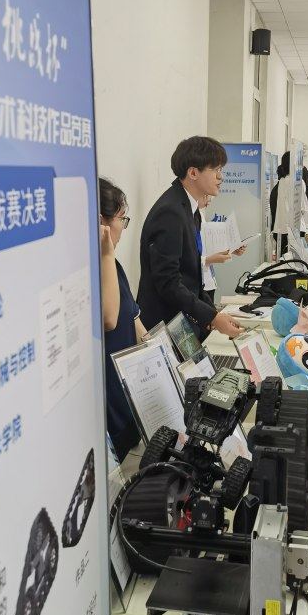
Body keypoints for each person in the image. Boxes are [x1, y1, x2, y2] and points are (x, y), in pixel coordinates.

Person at [137, 136, 242, 340]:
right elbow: (168, 282)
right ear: (193, 173)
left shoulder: (189, 208)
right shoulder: (170, 212)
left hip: (182, 321)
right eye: (215, 170)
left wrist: (214, 314)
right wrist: (212, 318)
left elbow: (191, 276)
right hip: (166, 324)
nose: (221, 177)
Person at [99, 178, 146, 462]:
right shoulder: (95, 267)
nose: (123, 228)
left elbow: (134, 318)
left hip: (128, 392)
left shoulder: (113, 264)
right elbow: (109, 318)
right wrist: (105, 251)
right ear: (101, 222)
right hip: (108, 402)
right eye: (121, 218)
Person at [272, 150, 308, 255]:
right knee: (296, 259)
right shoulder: (298, 182)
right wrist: (305, 224)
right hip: (296, 228)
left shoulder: (281, 181)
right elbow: (304, 207)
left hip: (281, 228)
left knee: (284, 258)